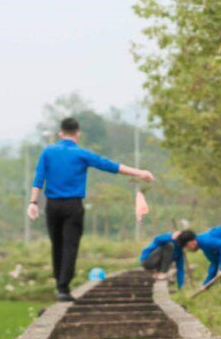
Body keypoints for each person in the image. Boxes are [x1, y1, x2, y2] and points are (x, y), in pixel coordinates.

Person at [28, 116, 155, 301]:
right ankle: (64, 288)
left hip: (53, 206)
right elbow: (109, 166)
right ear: (77, 134)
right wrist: (140, 172)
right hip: (73, 206)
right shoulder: (82, 154)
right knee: (70, 246)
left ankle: (59, 286)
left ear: (60, 133)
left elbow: (39, 178)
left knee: (57, 245)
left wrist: (33, 203)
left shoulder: (48, 152)